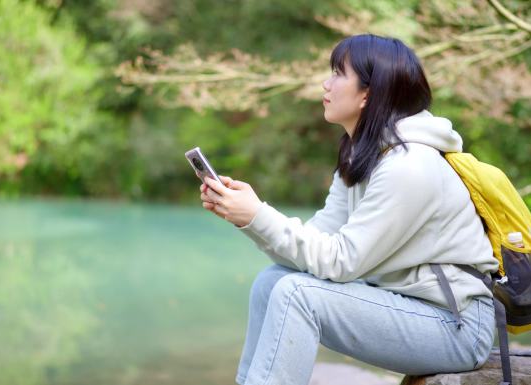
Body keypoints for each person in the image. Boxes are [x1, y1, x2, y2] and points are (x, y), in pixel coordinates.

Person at [199, 34, 499, 385]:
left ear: (368, 93)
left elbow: (340, 263)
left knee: (298, 294)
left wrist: (257, 215)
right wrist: (249, 218)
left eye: (338, 74)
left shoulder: (410, 166)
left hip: (456, 326)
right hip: (406, 308)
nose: (326, 84)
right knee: (272, 282)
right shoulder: (364, 157)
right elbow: (316, 246)